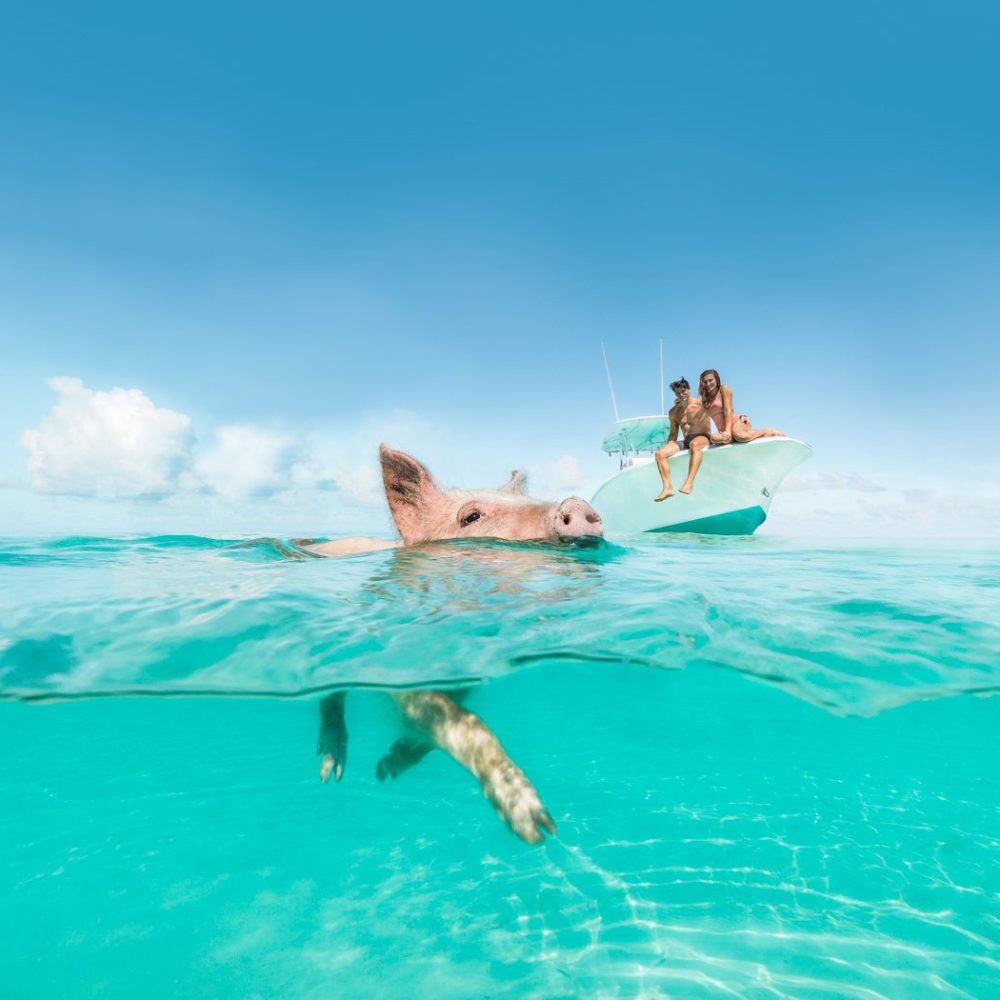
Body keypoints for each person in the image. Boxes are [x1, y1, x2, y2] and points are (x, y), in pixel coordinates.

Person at [653, 378, 713, 501]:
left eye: (683, 391)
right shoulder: (674, 412)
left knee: (695, 444)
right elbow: (673, 433)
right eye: (678, 393)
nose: (681, 394)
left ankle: (689, 483)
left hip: (703, 437)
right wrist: (668, 447)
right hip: (686, 440)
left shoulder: (702, 403)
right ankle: (667, 488)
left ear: (689, 389)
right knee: (660, 453)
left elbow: (720, 408)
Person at [699, 368, 785, 444]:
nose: (708, 383)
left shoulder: (724, 389)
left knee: (739, 436)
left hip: (736, 423)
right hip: (724, 431)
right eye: (705, 381)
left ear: (716, 380)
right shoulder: (704, 400)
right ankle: (737, 438)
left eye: (710, 380)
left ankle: (768, 431)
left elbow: (727, 410)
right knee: (713, 438)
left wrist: (728, 431)